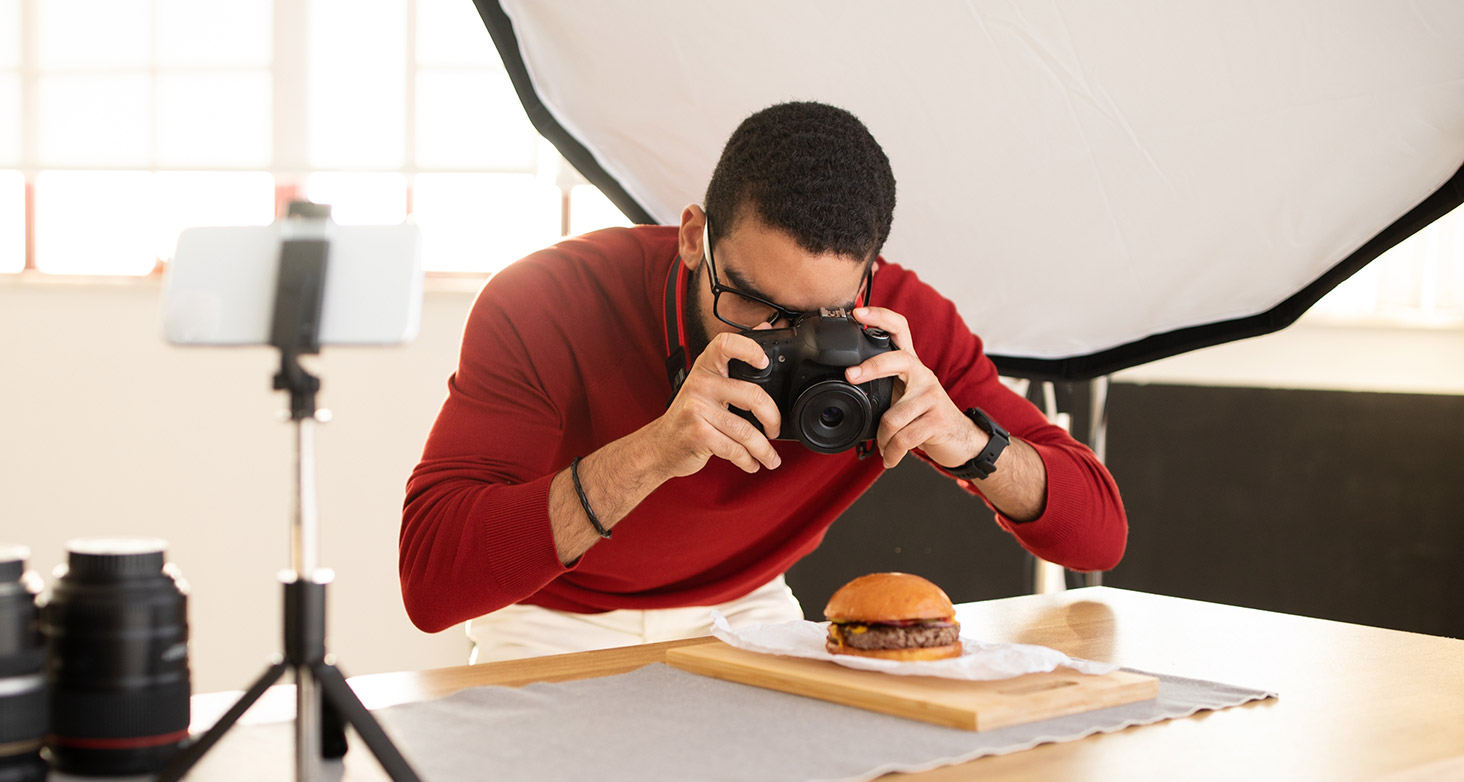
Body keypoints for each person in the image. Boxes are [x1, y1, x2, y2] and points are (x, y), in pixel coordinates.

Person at [400, 101, 1126, 663]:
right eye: (748, 301)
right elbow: (433, 583)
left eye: (821, 316)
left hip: (749, 609)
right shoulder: (550, 299)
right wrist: (651, 453)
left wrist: (969, 445)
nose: (775, 339)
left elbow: (1100, 537)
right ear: (694, 237)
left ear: (869, 275)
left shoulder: (901, 329)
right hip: (552, 616)